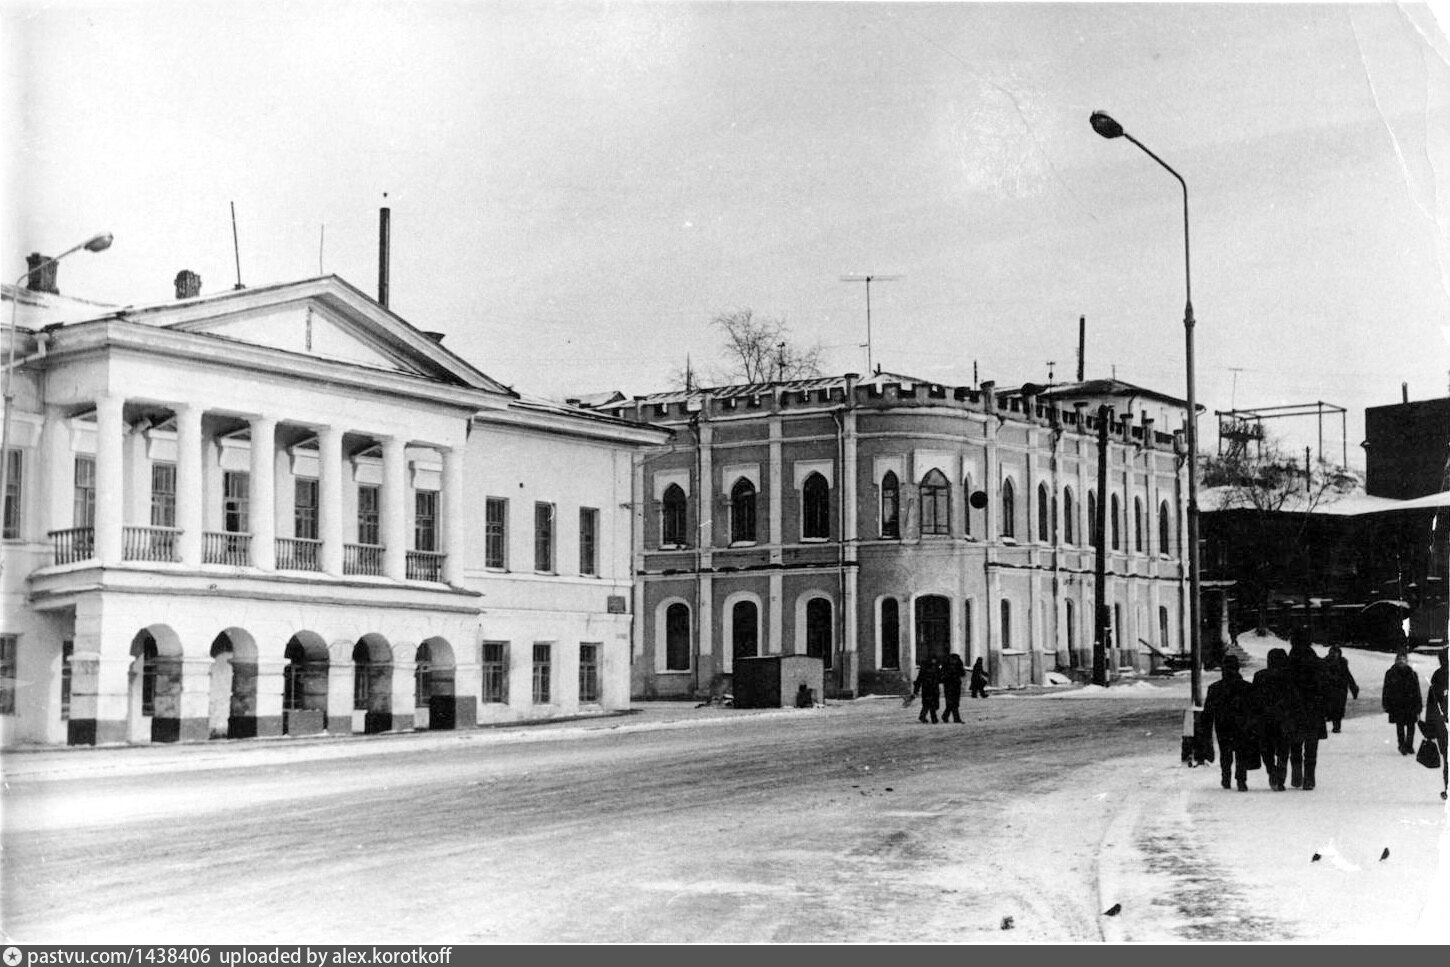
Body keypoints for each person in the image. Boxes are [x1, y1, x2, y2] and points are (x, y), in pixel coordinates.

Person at [1198, 654, 1258, 791]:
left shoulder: (1215, 688)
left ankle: (1226, 777)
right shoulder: (1247, 688)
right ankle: (1241, 780)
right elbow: (1254, 710)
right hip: (1242, 726)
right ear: (1238, 669)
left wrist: (1206, 730)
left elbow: (1208, 713)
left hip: (1223, 725)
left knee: (1225, 752)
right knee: (1241, 752)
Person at [1285, 629, 1328, 790]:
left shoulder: (1290, 660)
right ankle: (1309, 778)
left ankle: (1297, 776)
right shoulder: (1314, 660)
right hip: (1313, 709)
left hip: (1295, 708)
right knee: (1311, 746)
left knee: (1295, 744)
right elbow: (1324, 684)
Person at [1253, 647, 1293, 791]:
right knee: (1283, 750)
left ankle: (1271, 770)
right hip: (1283, 718)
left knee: (1266, 749)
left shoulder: (1259, 676)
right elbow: (1293, 699)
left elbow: (1254, 699)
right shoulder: (1289, 677)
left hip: (1265, 718)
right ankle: (1280, 776)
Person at [1381, 649, 1423, 755]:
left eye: (1403, 659)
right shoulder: (1390, 673)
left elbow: (1417, 690)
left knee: (1411, 726)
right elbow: (1386, 689)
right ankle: (1401, 745)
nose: (1401, 661)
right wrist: (1386, 703)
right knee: (1400, 726)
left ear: (1407, 661)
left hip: (1410, 703)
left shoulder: (1412, 673)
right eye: (1399, 659)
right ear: (1395, 661)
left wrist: (1419, 704)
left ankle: (1409, 745)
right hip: (1397, 704)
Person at [1321, 643, 1359, 733]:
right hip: (1329, 690)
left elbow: (1349, 677)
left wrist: (1354, 689)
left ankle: (1336, 727)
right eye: (1333, 652)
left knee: (1338, 709)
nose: (1334, 654)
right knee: (1327, 709)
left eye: (1336, 652)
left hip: (1340, 691)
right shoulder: (1325, 663)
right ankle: (1326, 726)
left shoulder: (1343, 664)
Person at [1426, 648, 1447, 800]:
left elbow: (1432, 703)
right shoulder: (1439, 675)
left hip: (1442, 724)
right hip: (1443, 724)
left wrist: (1430, 726)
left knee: (1448, 758)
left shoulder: (1438, 675)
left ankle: (1448, 787)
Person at [913, 655, 942, 724]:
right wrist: (916, 690)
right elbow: (919, 679)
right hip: (929, 688)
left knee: (927, 704)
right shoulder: (930, 668)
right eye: (933, 659)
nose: (934, 661)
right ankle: (934, 719)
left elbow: (940, 678)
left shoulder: (936, 668)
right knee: (931, 703)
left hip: (931, 688)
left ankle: (922, 716)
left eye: (935, 659)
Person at [941, 653, 967, 723]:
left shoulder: (956, 664)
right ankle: (955, 718)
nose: (954, 661)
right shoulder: (947, 664)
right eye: (953, 659)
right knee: (952, 702)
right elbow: (943, 675)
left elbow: (963, 673)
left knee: (954, 702)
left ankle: (946, 716)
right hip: (950, 685)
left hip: (954, 685)